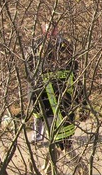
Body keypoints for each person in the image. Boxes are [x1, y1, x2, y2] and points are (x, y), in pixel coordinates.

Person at [27, 22, 87, 151]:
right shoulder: (37, 47)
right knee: (53, 134)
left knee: (62, 140)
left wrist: (82, 104)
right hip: (47, 98)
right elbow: (30, 69)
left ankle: (55, 164)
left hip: (63, 101)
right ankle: (38, 137)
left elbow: (75, 71)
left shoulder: (65, 46)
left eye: (53, 29)